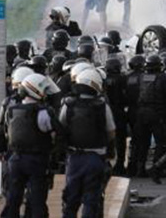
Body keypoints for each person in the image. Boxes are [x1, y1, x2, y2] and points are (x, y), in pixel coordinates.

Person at [59, 68, 115, 218]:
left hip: (74, 157)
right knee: (91, 199)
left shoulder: (68, 104)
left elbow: (60, 127)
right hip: (96, 157)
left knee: (70, 198)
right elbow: (111, 132)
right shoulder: (102, 106)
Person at [2, 73, 59, 218]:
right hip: (36, 160)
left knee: (13, 198)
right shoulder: (43, 112)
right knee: (37, 199)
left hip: (15, 159)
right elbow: (55, 132)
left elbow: (6, 132)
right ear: (36, 90)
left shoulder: (12, 110)